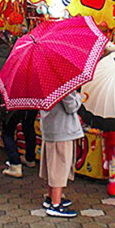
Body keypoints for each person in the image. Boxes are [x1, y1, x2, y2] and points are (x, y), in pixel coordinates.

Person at [0, 33, 37, 177]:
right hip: (28, 96)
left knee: (7, 131)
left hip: (8, 100)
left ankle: (15, 164)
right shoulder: (16, 52)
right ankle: (30, 159)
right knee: (28, 126)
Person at [39, 90, 84, 218]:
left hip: (49, 128)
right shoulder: (63, 84)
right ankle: (56, 204)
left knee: (51, 166)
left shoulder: (43, 83)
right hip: (62, 129)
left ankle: (50, 197)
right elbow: (71, 107)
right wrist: (78, 97)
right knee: (59, 167)